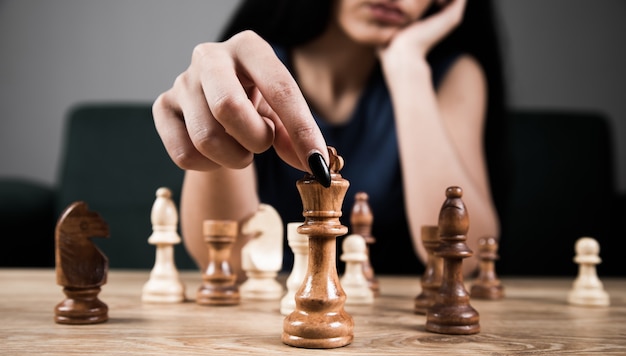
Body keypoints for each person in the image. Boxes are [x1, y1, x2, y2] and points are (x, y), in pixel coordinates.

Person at [152, 0, 507, 277]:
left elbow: (467, 254)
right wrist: (223, 117)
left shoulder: (451, 76)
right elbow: (225, 257)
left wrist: (407, 65)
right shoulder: (244, 74)